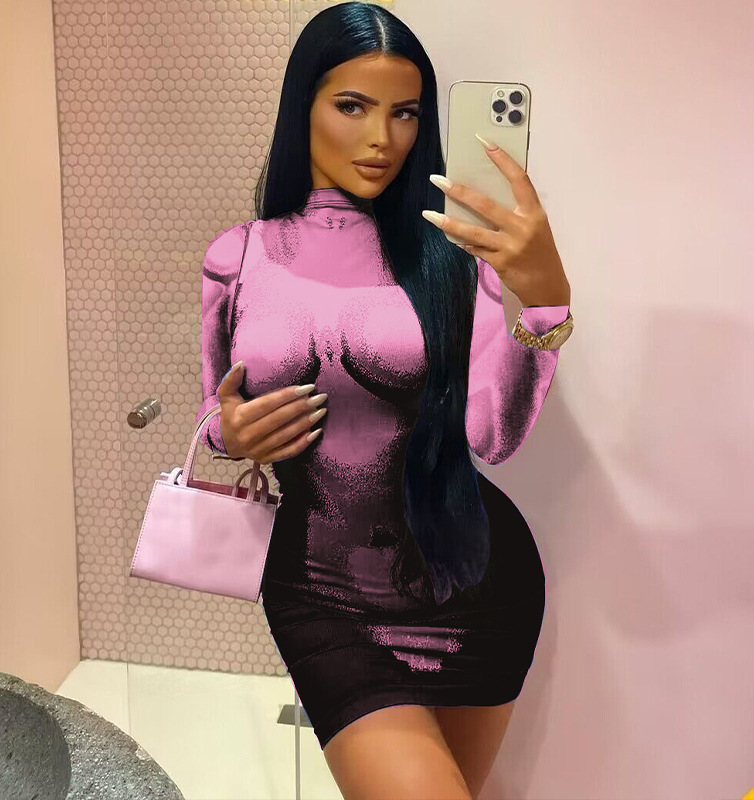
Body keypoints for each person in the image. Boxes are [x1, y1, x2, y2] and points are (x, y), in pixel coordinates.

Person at [195, 3, 572, 798]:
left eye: (405, 113)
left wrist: (543, 305)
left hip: (470, 583)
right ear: (303, 106)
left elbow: (493, 437)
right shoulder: (238, 255)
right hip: (318, 593)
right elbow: (218, 414)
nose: (382, 138)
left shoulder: (451, 257)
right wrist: (231, 431)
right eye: (353, 105)